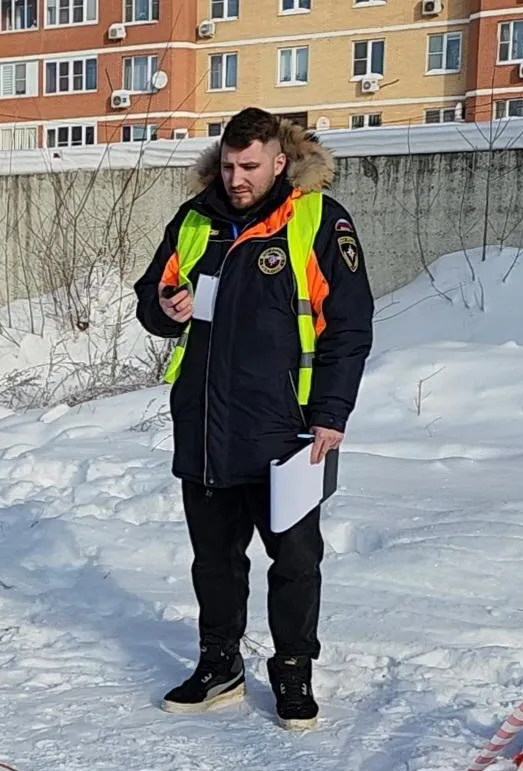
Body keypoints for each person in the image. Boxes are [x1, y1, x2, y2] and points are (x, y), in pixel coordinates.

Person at [134, 107, 374, 729]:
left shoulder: (319, 220)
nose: (237, 178)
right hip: (206, 424)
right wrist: (167, 307)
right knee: (214, 559)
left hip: (287, 429)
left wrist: (332, 413)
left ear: (278, 161)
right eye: (229, 165)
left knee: (295, 560)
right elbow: (149, 301)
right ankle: (220, 663)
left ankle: (294, 671)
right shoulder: (194, 220)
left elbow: (349, 327)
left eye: (250, 166)